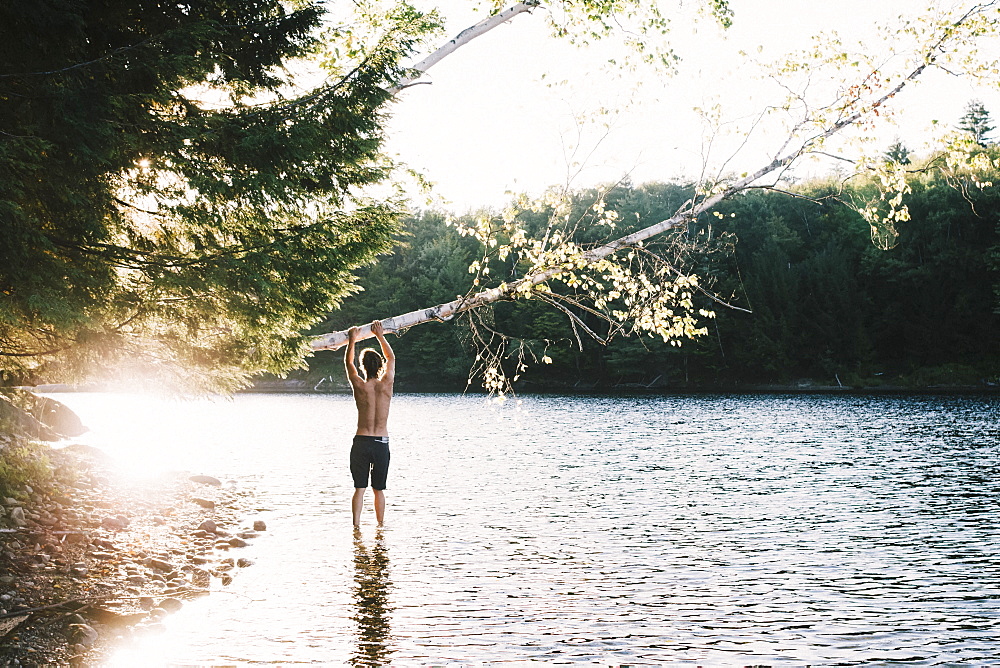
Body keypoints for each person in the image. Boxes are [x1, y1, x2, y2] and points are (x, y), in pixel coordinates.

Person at [345, 320, 395, 527]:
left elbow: (349, 365)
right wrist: (380, 335)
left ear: (363, 367)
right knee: (378, 489)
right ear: (380, 366)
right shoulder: (387, 384)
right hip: (381, 442)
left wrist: (352, 340)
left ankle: (356, 527)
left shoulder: (359, 385)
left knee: (359, 488)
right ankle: (380, 527)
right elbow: (391, 357)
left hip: (362, 441)